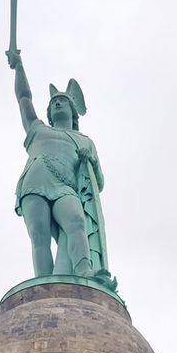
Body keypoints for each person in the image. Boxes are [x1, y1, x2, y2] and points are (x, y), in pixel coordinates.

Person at [7, 50, 109, 281]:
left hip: (66, 186)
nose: (57, 104)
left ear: (73, 111)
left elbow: (99, 182)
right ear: (49, 114)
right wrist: (19, 66)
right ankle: (43, 284)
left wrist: (89, 160)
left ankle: (84, 270)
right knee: (39, 236)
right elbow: (24, 98)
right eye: (54, 102)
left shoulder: (86, 141)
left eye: (62, 101)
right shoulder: (38, 130)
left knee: (75, 220)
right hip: (35, 181)